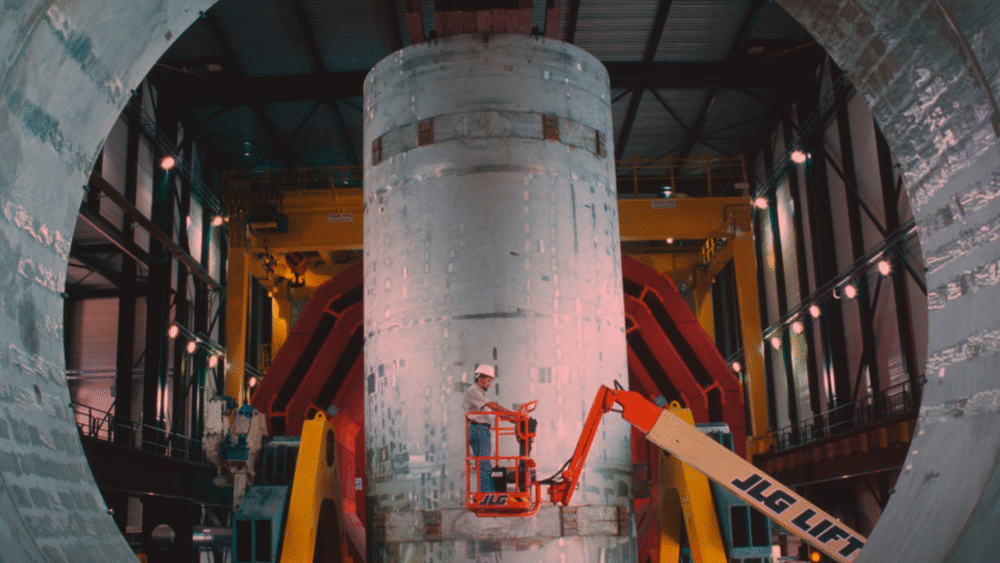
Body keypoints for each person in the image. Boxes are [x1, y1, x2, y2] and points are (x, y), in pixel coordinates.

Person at [463, 364, 515, 493]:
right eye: (489, 380)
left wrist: (513, 420)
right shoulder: (473, 391)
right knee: (484, 464)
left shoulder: (479, 395)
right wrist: (514, 414)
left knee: (484, 464)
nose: (490, 384)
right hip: (479, 430)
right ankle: (488, 494)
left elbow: (493, 413)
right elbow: (492, 405)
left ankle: (488, 492)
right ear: (480, 378)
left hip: (480, 429)